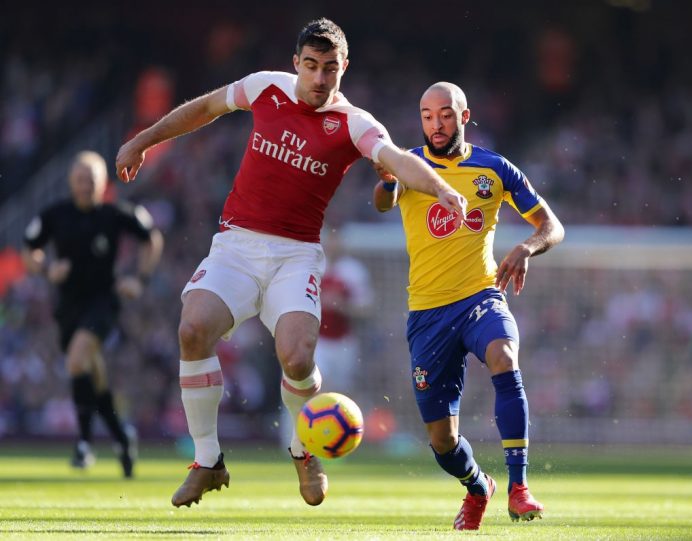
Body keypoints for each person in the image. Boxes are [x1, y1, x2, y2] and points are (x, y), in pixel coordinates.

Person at [115, 18, 466, 509]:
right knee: (193, 329)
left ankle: (304, 451)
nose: (319, 79)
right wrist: (143, 140)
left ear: (344, 67)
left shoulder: (355, 122)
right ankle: (207, 462)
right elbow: (205, 109)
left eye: (329, 69)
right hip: (236, 246)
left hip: (295, 255)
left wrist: (441, 186)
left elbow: (394, 159)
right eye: (310, 66)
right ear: (295, 62)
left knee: (298, 357)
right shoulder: (265, 88)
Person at [373, 82, 564, 530]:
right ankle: (479, 485)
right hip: (426, 314)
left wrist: (527, 247)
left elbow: (551, 224)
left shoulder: (494, 169)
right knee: (443, 442)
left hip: (480, 296)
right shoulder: (408, 164)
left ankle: (519, 488)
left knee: (504, 355)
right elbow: (383, 203)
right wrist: (386, 179)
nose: (435, 124)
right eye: (426, 115)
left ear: (464, 116)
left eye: (444, 114)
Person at [23, 150, 163, 478]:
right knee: (92, 376)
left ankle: (84, 444)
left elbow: (151, 239)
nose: (86, 186)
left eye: (92, 180)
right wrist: (46, 268)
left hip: (103, 302)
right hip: (68, 305)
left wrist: (139, 279)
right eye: (80, 180)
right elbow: (30, 250)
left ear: (103, 184)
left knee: (76, 361)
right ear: (71, 182)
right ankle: (122, 437)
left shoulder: (114, 214)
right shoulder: (55, 215)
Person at [313, 229, 373, 394]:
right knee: (313, 385)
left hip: (344, 342)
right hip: (317, 340)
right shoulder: (312, 266)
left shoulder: (353, 271)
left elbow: (366, 309)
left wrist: (341, 306)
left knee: (342, 393)